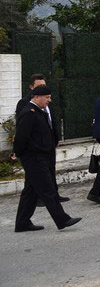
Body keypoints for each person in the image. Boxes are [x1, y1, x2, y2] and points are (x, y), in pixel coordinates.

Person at [13, 85, 81, 232]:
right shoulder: (29, 113)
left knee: (30, 191)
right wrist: (17, 153)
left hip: (40, 155)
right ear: (36, 97)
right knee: (47, 189)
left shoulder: (38, 111)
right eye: (47, 97)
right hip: (34, 157)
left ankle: (22, 223)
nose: (49, 100)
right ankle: (62, 219)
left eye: (49, 97)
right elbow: (21, 137)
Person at [15, 74, 68, 205]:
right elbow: (24, 127)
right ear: (32, 87)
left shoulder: (47, 101)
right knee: (36, 175)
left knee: (51, 168)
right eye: (39, 86)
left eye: (44, 86)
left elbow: (51, 121)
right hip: (36, 147)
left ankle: (54, 195)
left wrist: (55, 138)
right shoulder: (26, 103)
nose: (43, 89)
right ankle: (45, 200)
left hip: (49, 142)